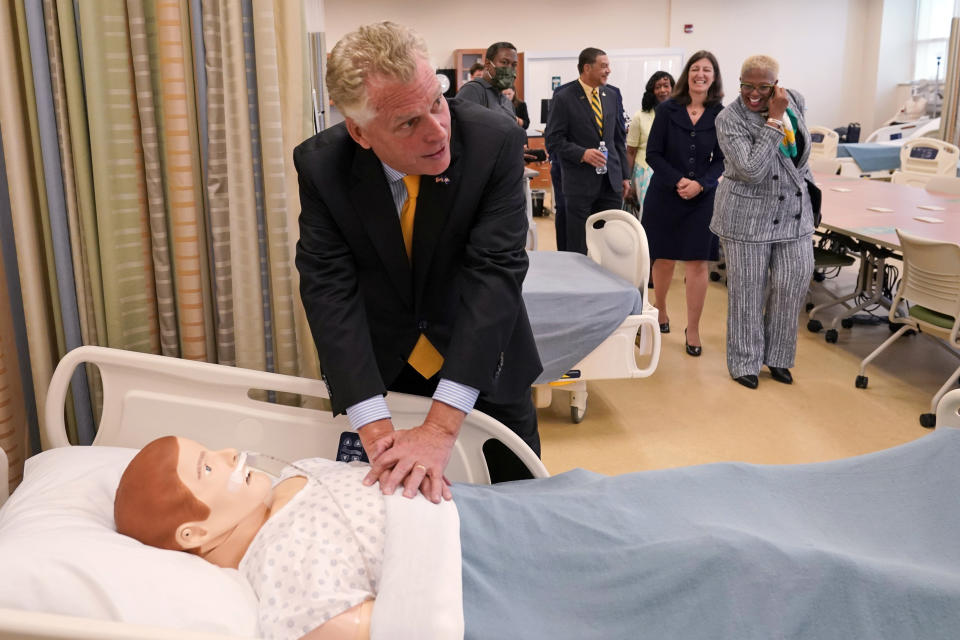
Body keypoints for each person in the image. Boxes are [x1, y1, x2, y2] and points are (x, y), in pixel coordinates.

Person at [115, 432, 960, 639]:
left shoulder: (285, 488)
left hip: (521, 517)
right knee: (736, 558)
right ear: (195, 532)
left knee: (717, 485)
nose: (230, 454)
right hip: (503, 566)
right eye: (210, 467)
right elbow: (364, 628)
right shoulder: (279, 564)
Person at [294, 22, 542, 503]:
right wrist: (374, 429)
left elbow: (494, 274)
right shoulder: (324, 168)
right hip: (386, 372)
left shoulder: (493, 143)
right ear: (360, 133)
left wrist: (442, 426)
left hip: (484, 363)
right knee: (394, 514)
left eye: (437, 102)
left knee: (518, 502)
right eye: (409, 122)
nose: (438, 130)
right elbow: (327, 288)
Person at [710, 55, 816, 389]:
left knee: (791, 284)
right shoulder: (729, 119)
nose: (753, 93)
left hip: (793, 213)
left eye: (763, 87)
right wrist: (773, 120)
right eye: (747, 86)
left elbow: (799, 151)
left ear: (776, 84)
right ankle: (745, 362)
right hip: (748, 216)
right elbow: (751, 170)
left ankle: (779, 358)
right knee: (748, 292)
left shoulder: (794, 100)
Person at [641, 51, 725, 357]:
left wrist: (701, 184)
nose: (700, 74)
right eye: (695, 69)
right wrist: (678, 181)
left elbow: (723, 160)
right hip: (664, 194)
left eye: (707, 70)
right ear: (687, 75)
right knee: (662, 258)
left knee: (697, 263)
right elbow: (653, 154)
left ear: (714, 77)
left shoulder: (720, 114)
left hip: (702, 199)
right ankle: (661, 310)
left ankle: (693, 328)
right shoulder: (667, 110)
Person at [544, 48, 629, 255]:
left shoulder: (611, 95)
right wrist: (582, 154)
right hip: (579, 183)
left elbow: (618, 139)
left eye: (609, 65)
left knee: (608, 241)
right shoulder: (564, 97)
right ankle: (577, 284)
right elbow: (553, 140)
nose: (609, 70)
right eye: (604, 66)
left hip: (611, 181)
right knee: (579, 244)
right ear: (587, 68)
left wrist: (625, 176)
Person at [624, 71, 675, 218]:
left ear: (673, 88)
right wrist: (628, 182)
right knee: (647, 218)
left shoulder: (681, 114)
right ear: (652, 91)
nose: (662, 90)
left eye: (666, 85)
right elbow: (630, 152)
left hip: (673, 174)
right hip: (645, 173)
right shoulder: (640, 116)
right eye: (658, 87)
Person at [455, 42, 519, 124]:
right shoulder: (473, 91)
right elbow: (462, 129)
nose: (509, 68)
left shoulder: (506, 100)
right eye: (504, 62)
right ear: (488, 64)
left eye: (514, 65)